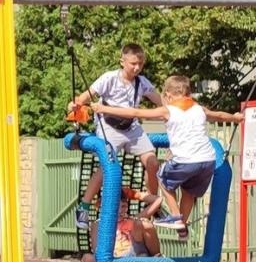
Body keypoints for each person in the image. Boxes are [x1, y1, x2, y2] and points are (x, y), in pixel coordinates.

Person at [93, 74, 241, 237]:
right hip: (208, 160)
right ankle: (182, 226)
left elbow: (135, 112)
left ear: (168, 95)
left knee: (162, 179)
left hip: (186, 160)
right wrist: (235, 117)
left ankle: (176, 218)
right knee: (189, 192)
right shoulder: (199, 108)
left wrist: (103, 109)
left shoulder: (167, 110)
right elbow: (219, 116)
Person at [68, 44, 163, 229]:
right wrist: (75, 104)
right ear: (123, 61)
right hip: (109, 126)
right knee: (108, 166)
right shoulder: (109, 78)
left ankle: (152, 204)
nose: (136, 68)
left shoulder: (142, 82)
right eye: (133, 63)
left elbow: (161, 102)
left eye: (140, 64)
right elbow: (86, 96)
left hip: (131, 127)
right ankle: (84, 207)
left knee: (152, 162)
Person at [79, 189, 162, 262]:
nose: (119, 211)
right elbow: (97, 252)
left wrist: (134, 194)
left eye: (123, 206)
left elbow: (158, 200)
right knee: (86, 258)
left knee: (145, 224)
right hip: (112, 261)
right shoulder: (99, 224)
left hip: (135, 258)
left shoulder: (133, 220)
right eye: (114, 207)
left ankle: (156, 259)